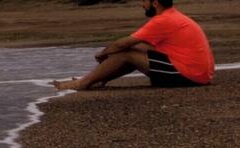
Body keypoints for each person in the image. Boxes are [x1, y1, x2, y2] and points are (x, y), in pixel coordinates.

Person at [54, 0, 215, 91]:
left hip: (190, 76)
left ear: (155, 3)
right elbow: (142, 46)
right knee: (134, 51)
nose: (142, 4)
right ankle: (97, 80)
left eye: (145, 1)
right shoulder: (174, 16)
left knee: (127, 53)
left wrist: (102, 54)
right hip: (199, 74)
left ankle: (82, 84)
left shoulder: (163, 20)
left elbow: (122, 44)